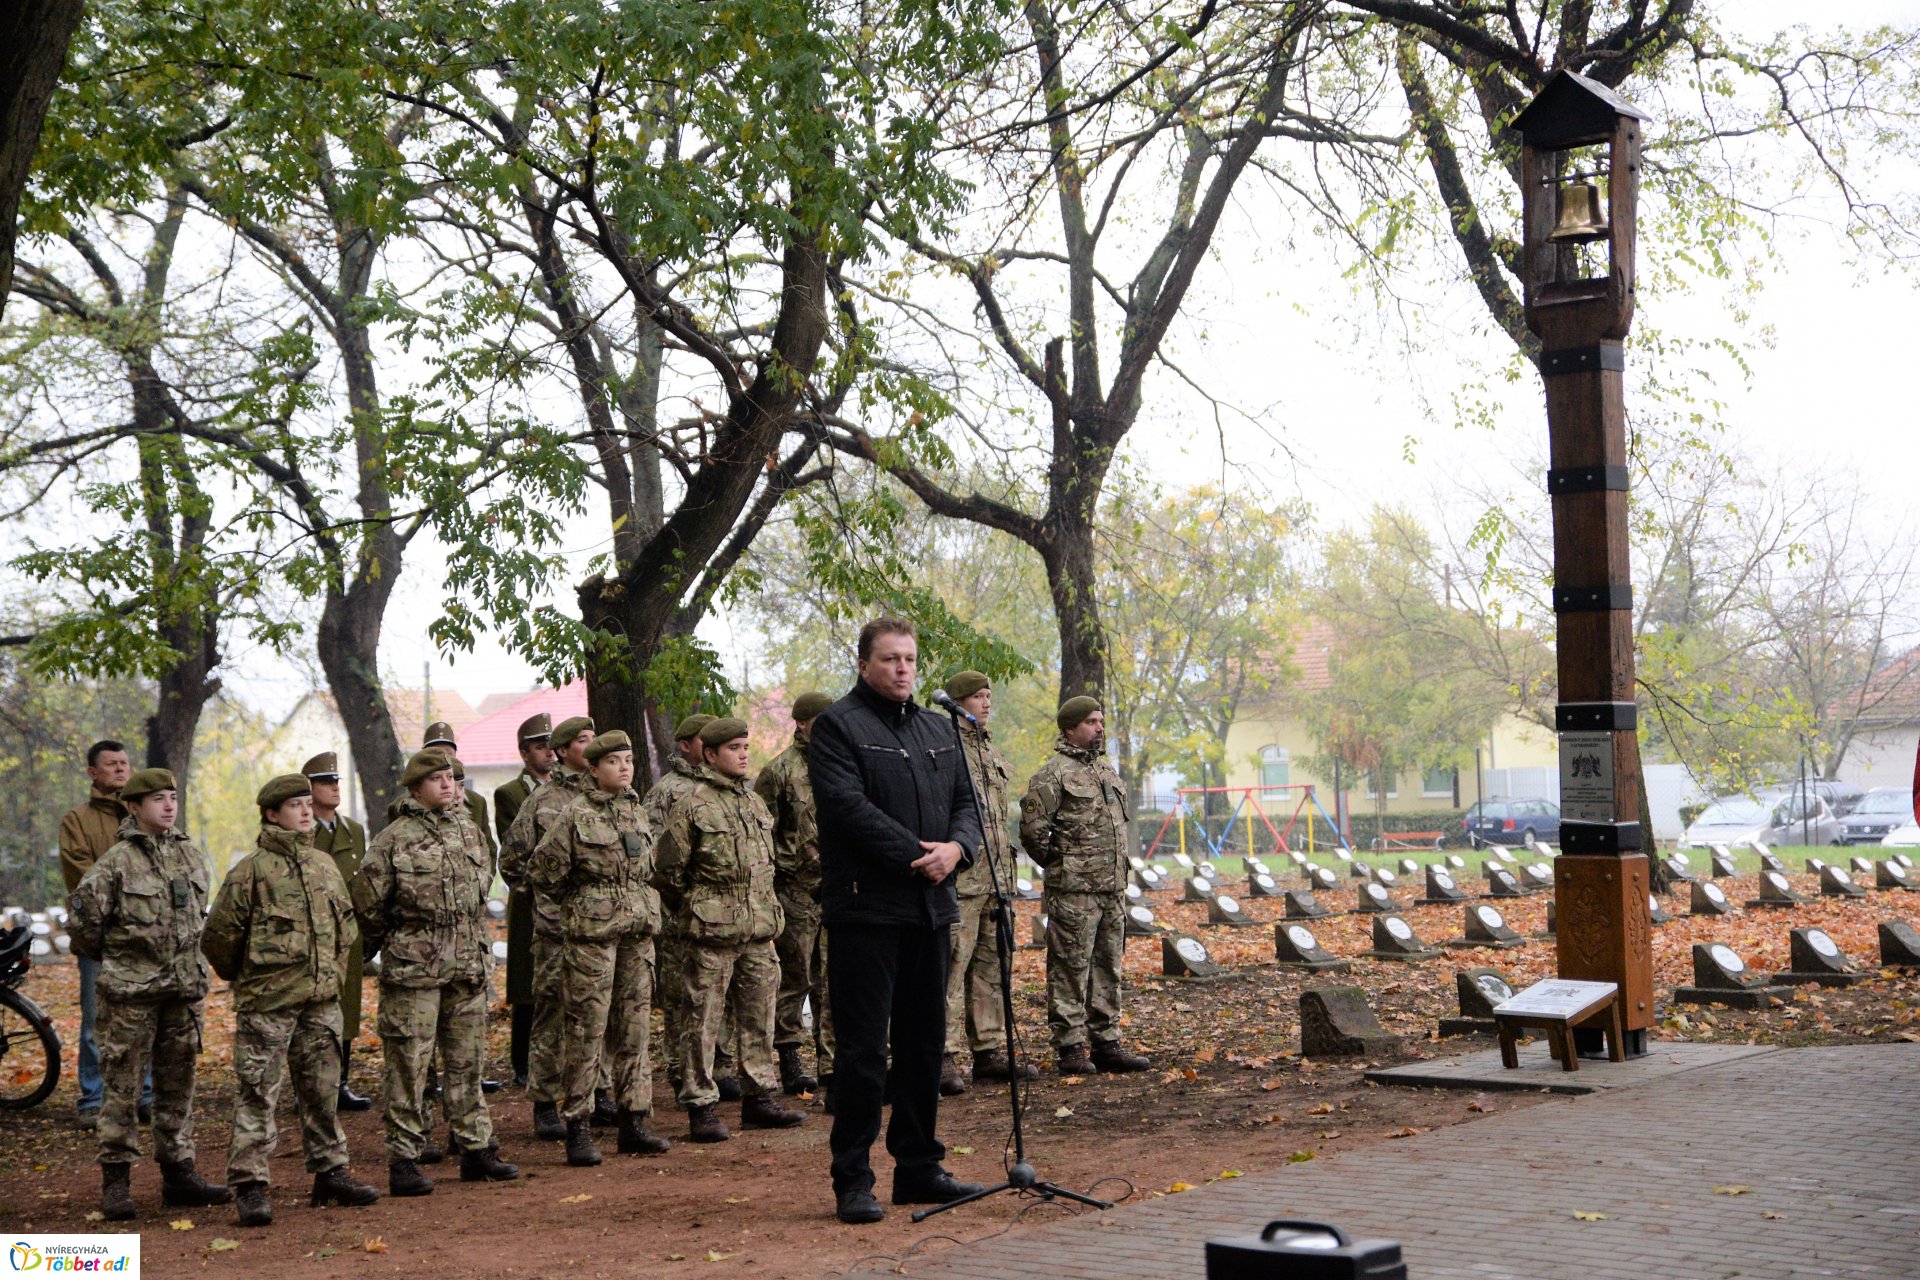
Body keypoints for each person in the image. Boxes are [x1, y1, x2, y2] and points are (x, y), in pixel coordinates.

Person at [809, 617, 984, 1224]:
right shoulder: (838, 726)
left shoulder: (940, 728)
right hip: (867, 912)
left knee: (923, 1045)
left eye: (909, 658)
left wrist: (957, 850)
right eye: (889, 659)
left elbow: (968, 803)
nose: (903, 669)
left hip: (931, 911)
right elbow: (846, 809)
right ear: (864, 665)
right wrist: (920, 853)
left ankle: (918, 1168)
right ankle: (853, 1178)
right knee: (862, 1053)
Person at [201, 774, 380, 1226]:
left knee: (322, 1093)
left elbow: (346, 932)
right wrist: (253, 981)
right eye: (295, 805)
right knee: (259, 1092)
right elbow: (219, 938)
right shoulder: (251, 872)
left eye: (307, 803)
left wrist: (331, 978)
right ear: (271, 814)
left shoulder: (324, 866)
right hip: (269, 1005)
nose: (305, 811)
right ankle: (251, 1184)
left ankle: (331, 1172)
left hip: (320, 1003)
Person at [67, 768, 233, 1221]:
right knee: (121, 1088)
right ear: (134, 807)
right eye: (158, 798)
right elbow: (83, 928)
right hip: (131, 996)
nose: (168, 805)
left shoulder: (190, 856)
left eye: (173, 797)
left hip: (182, 992)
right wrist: (126, 963)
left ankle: (180, 1175)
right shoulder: (115, 863)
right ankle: (116, 1181)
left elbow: (200, 917)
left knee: (178, 1086)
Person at [352, 750, 518, 1196]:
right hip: (415, 969)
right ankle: (404, 1158)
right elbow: (368, 906)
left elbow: (482, 888)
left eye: (451, 777)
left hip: (465, 963)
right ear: (414, 789)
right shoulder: (393, 840)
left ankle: (475, 1148)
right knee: (409, 1065)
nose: (448, 785)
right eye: (437, 779)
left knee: (467, 1061)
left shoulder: (469, 831)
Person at [652, 717, 806, 1143]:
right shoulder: (692, 806)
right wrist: (698, 907)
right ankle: (700, 1105)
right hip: (711, 933)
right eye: (734, 748)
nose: (743, 754)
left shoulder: (754, 804)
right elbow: (666, 871)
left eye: (745, 746)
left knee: (759, 1017)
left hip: (757, 929)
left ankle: (759, 1098)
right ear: (710, 755)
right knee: (701, 1021)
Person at [528, 730, 671, 1164]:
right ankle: (579, 1125)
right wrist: (584, 903)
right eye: (613, 761)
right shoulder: (575, 814)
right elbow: (543, 872)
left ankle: (634, 1120)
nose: (624, 768)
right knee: (586, 1029)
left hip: (636, 934)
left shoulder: (637, 812)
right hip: (592, 938)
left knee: (634, 1027)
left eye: (628, 760)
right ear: (592, 769)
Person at [1020, 697, 1151, 1077]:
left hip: (1111, 888)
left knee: (1108, 966)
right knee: (1069, 969)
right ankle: (1071, 1047)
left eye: (1101, 721)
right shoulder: (1053, 774)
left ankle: (1107, 1041)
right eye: (1092, 722)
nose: (1099, 728)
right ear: (1070, 728)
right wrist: (1062, 865)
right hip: (1074, 891)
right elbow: (1032, 832)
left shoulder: (1106, 771)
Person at [500, 715, 599, 1139]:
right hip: (557, 931)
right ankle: (544, 1103)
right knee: (551, 1017)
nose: (592, 745)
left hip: (601, 930)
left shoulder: (606, 796)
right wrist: (547, 900)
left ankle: (599, 1097)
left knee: (597, 1016)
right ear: (562, 751)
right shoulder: (541, 801)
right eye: (583, 740)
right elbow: (512, 862)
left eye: (595, 738)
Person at [937, 671, 1035, 1094]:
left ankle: (989, 1050)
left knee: (992, 969)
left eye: (988, 696)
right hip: (962, 881)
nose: (986, 702)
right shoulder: (944, 747)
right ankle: (943, 1055)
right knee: (951, 971)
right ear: (958, 703)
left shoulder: (988, 749)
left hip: (997, 876)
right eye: (978, 696)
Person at [647, 713, 739, 1102]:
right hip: (682, 915)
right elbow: (660, 859)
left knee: (722, 995)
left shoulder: (730, 789)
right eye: (705, 739)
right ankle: (677, 1068)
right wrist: (685, 902)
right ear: (686, 746)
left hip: (726, 916)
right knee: (682, 997)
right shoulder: (669, 792)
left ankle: (721, 1064)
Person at [58, 739, 147, 1128]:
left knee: (145, 1016)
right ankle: (93, 1097)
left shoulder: (146, 814)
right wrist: (130, 895)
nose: (120, 769)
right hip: (97, 936)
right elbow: (82, 875)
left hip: (145, 935)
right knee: (97, 1020)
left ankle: (145, 1095)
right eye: (111, 764)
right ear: (93, 772)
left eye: (124, 763)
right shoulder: (76, 820)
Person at [753, 690, 835, 1099]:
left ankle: (831, 1062)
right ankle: (790, 1058)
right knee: (796, 975)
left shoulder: (840, 763)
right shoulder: (779, 772)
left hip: (834, 886)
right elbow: (760, 833)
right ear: (802, 723)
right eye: (821, 720)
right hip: (794, 889)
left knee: (831, 979)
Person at [303, 751, 373, 1113]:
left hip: (347, 933)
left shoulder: (354, 831)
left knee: (346, 1010)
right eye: (325, 782)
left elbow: (361, 885)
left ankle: (341, 1082)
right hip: (312, 935)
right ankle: (311, 1086)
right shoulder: (300, 830)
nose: (333, 787)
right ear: (309, 788)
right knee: (312, 1012)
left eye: (335, 781)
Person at [494, 713, 555, 1088]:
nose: (547, 752)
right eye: (538, 746)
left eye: (550, 744)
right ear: (523, 752)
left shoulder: (572, 788)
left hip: (561, 901)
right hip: (528, 897)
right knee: (526, 983)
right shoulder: (510, 794)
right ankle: (521, 1061)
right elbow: (513, 845)